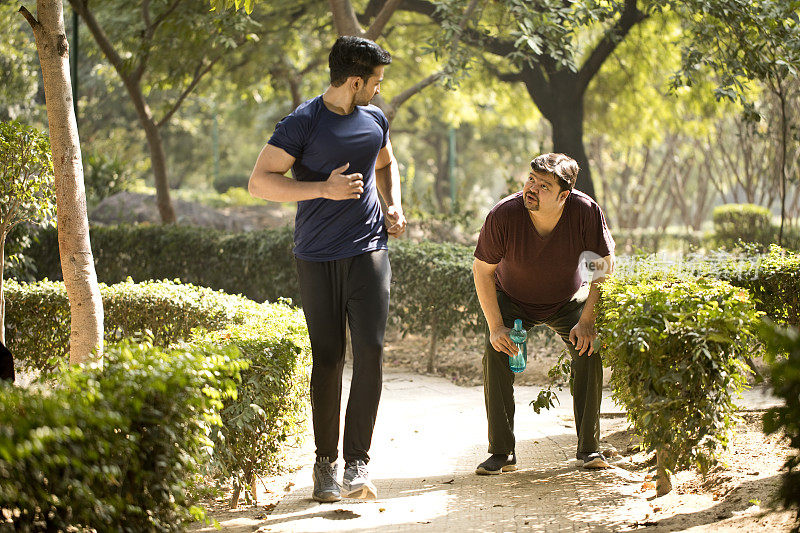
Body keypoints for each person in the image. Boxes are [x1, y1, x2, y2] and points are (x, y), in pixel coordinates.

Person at [248, 35, 406, 502]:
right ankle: (325, 465)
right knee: (329, 357)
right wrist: (322, 189)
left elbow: (386, 162)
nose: (378, 90)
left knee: (372, 353)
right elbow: (259, 183)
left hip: (369, 251)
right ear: (354, 81)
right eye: (375, 82)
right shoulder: (302, 122)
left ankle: (358, 462)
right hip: (316, 256)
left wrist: (394, 204)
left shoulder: (375, 119)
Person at [472, 153, 615, 474]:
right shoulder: (504, 215)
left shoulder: (584, 211)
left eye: (544, 186)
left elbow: (603, 267)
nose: (532, 188)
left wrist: (588, 321)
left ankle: (590, 449)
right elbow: (482, 271)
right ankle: (501, 451)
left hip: (566, 300)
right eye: (531, 180)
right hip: (513, 300)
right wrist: (496, 327)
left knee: (589, 350)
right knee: (495, 353)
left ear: (564, 196)